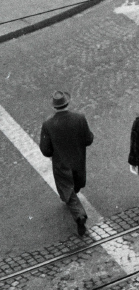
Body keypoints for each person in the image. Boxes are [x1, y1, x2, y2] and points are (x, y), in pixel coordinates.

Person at [39, 90, 93, 236]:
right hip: (78, 160)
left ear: (54, 107)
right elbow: (88, 139)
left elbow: (45, 150)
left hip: (61, 164)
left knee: (66, 189)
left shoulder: (48, 124)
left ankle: (79, 215)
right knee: (76, 185)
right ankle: (75, 204)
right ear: (67, 103)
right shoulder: (80, 118)